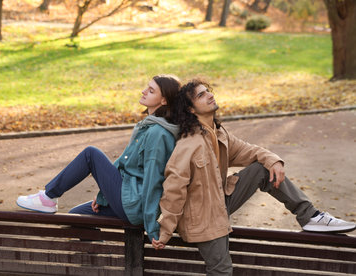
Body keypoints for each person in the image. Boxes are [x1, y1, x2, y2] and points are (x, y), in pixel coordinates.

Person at [152, 79, 356, 275]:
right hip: (203, 219)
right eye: (202, 95)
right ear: (191, 109)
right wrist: (165, 230)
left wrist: (274, 160)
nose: (210, 95)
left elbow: (249, 151)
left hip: (221, 203)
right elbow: (174, 190)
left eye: (209, 91)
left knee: (262, 168)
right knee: (221, 270)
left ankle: (310, 216)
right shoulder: (188, 145)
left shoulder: (219, 133)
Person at [17, 74, 181, 242]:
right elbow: (125, 165)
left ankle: (48, 197)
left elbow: (154, 181)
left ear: (164, 101)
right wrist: (105, 196)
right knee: (77, 216)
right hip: (128, 197)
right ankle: (98, 262)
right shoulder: (149, 126)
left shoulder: (158, 134)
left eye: (151, 90)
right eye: (147, 87)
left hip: (135, 204)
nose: (144, 91)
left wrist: (153, 229)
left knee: (91, 154)